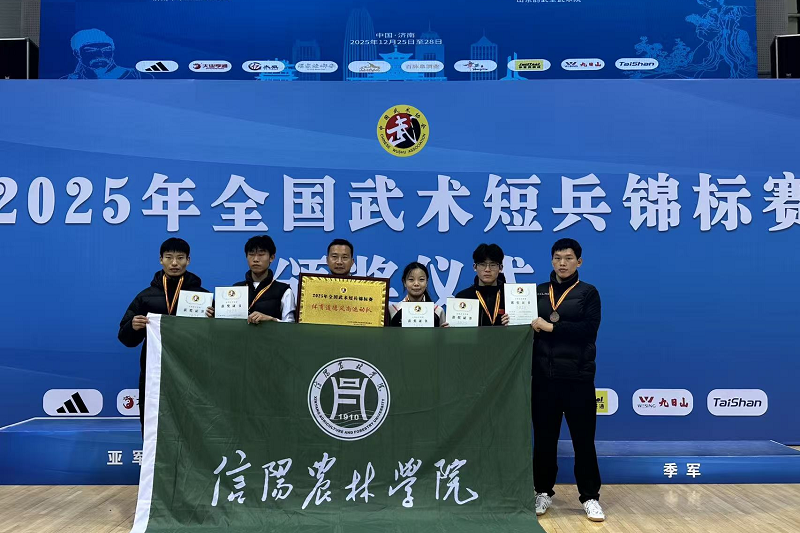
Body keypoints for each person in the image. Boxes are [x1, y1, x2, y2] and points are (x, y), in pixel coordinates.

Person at [530, 238, 604, 522]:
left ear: (579, 262)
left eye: (569, 258)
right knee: (544, 441)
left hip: (578, 379)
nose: (562, 263)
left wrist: (551, 327)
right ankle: (542, 491)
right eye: (558, 258)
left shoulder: (588, 293)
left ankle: (590, 497)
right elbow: (525, 326)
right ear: (552, 260)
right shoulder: (537, 292)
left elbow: (588, 330)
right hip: (544, 379)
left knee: (583, 441)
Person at [118, 238, 208, 433]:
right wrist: (133, 326)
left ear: (188, 260)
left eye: (180, 258)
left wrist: (213, 320)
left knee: (191, 422)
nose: (174, 263)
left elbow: (214, 340)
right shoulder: (145, 297)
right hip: (154, 372)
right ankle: (152, 455)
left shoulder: (202, 297)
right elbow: (125, 338)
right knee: (153, 422)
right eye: (169, 257)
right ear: (161, 260)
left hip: (191, 373)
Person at [207, 235, 295, 324]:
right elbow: (226, 324)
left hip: (271, 334)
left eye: (261, 254)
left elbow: (290, 325)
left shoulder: (284, 290)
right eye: (251, 254)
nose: (256, 259)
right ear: (246, 257)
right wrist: (215, 316)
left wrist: (271, 319)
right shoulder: (236, 288)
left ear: (272, 258)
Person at [453, 243, 510, 326]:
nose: (487, 269)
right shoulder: (463, 297)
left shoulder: (509, 297)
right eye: (482, 264)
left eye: (493, 265)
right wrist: (448, 329)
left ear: (500, 268)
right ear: (475, 267)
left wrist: (514, 323)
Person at [62, 29, 150, 79]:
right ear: (77, 53)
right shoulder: (68, 80)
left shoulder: (138, 76)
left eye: (106, 49)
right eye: (91, 50)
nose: (100, 55)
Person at [388, 262, 446, 327]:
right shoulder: (393, 310)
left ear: (426, 282)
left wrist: (444, 331)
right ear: (404, 282)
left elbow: (443, 333)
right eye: (411, 279)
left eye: (421, 279)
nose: (416, 284)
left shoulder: (437, 310)